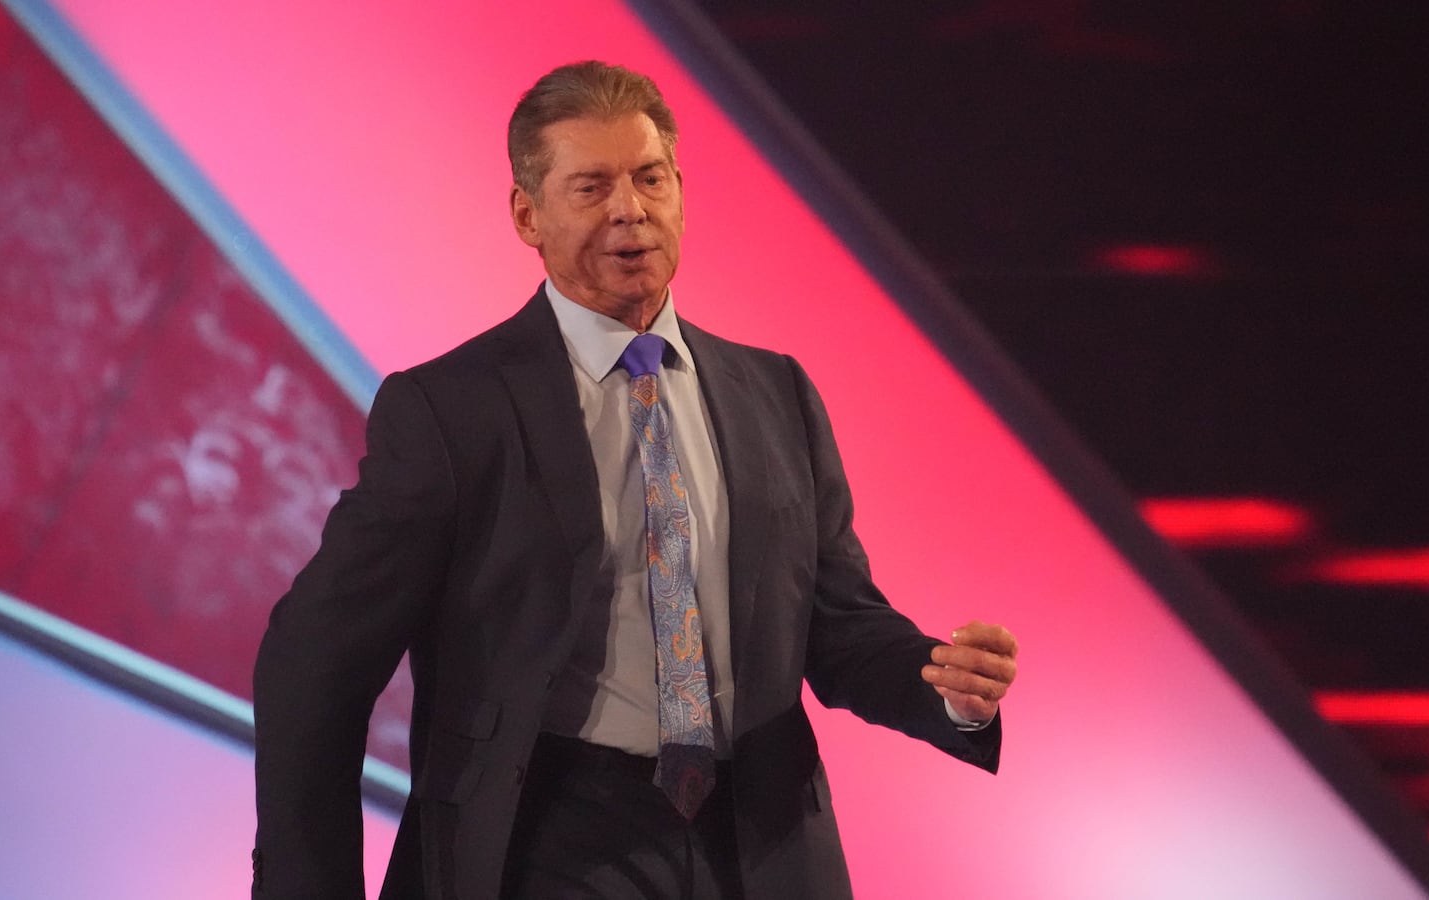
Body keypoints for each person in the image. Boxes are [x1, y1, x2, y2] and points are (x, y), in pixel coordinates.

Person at [251, 60, 1019, 900]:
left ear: (680, 192)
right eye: (592, 187)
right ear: (526, 214)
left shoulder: (777, 395)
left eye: (650, 178)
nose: (631, 208)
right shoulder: (450, 411)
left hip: (758, 844)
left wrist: (945, 688)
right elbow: (315, 663)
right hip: (547, 838)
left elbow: (837, 627)